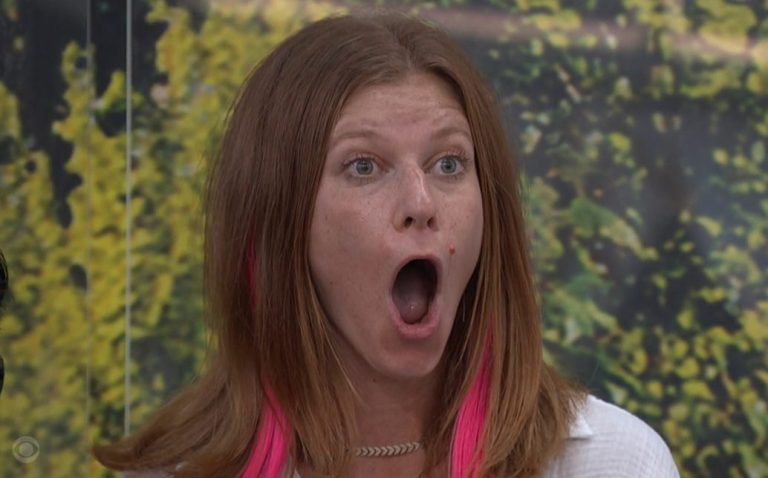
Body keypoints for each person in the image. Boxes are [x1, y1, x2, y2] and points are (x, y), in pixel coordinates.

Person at [94, 14, 679, 478]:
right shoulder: (181, 471)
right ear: (278, 218)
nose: (421, 202)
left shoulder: (612, 464)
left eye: (448, 163)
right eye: (364, 166)